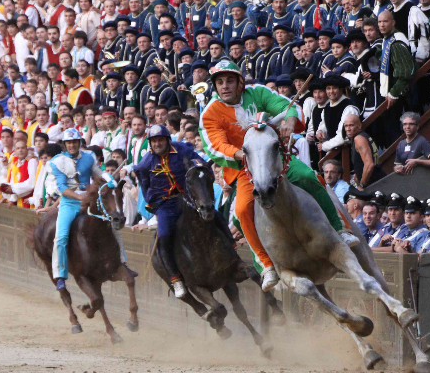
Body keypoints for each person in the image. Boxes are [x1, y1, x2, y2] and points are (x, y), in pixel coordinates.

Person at [200, 60, 361, 292]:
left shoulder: (258, 92)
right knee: (243, 209)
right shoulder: (210, 113)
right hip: (244, 167)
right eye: (220, 82)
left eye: (230, 80)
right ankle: (266, 265)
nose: (225, 86)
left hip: (276, 159)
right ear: (215, 86)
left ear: (239, 81)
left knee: (307, 175)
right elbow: (214, 145)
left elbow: (287, 106)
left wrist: (289, 120)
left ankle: (339, 229)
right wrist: (243, 154)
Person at [134, 124, 206, 298]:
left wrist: (199, 170)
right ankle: (175, 279)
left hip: (189, 199)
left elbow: (199, 162)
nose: (157, 144)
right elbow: (145, 187)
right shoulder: (145, 164)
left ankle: (231, 247)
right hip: (166, 205)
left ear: (167, 140)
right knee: (164, 234)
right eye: (154, 141)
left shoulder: (182, 149)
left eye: (160, 140)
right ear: (150, 144)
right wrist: (155, 205)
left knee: (213, 216)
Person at [50, 128, 103, 291]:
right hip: (69, 203)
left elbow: (98, 176)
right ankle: (60, 274)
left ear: (79, 143)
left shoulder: (89, 157)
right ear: (65, 144)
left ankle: (121, 260)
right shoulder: (57, 161)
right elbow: (62, 188)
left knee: (112, 226)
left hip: (90, 200)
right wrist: (81, 197)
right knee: (61, 237)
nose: (72, 145)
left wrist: (108, 180)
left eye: (74, 142)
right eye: (69, 142)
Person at [344, 114, 386, 190]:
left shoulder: (359, 139)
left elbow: (369, 164)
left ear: (359, 126)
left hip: (374, 184)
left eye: (351, 125)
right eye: (346, 126)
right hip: (377, 181)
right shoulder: (364, 136)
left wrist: (362, 185)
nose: (348, 129)